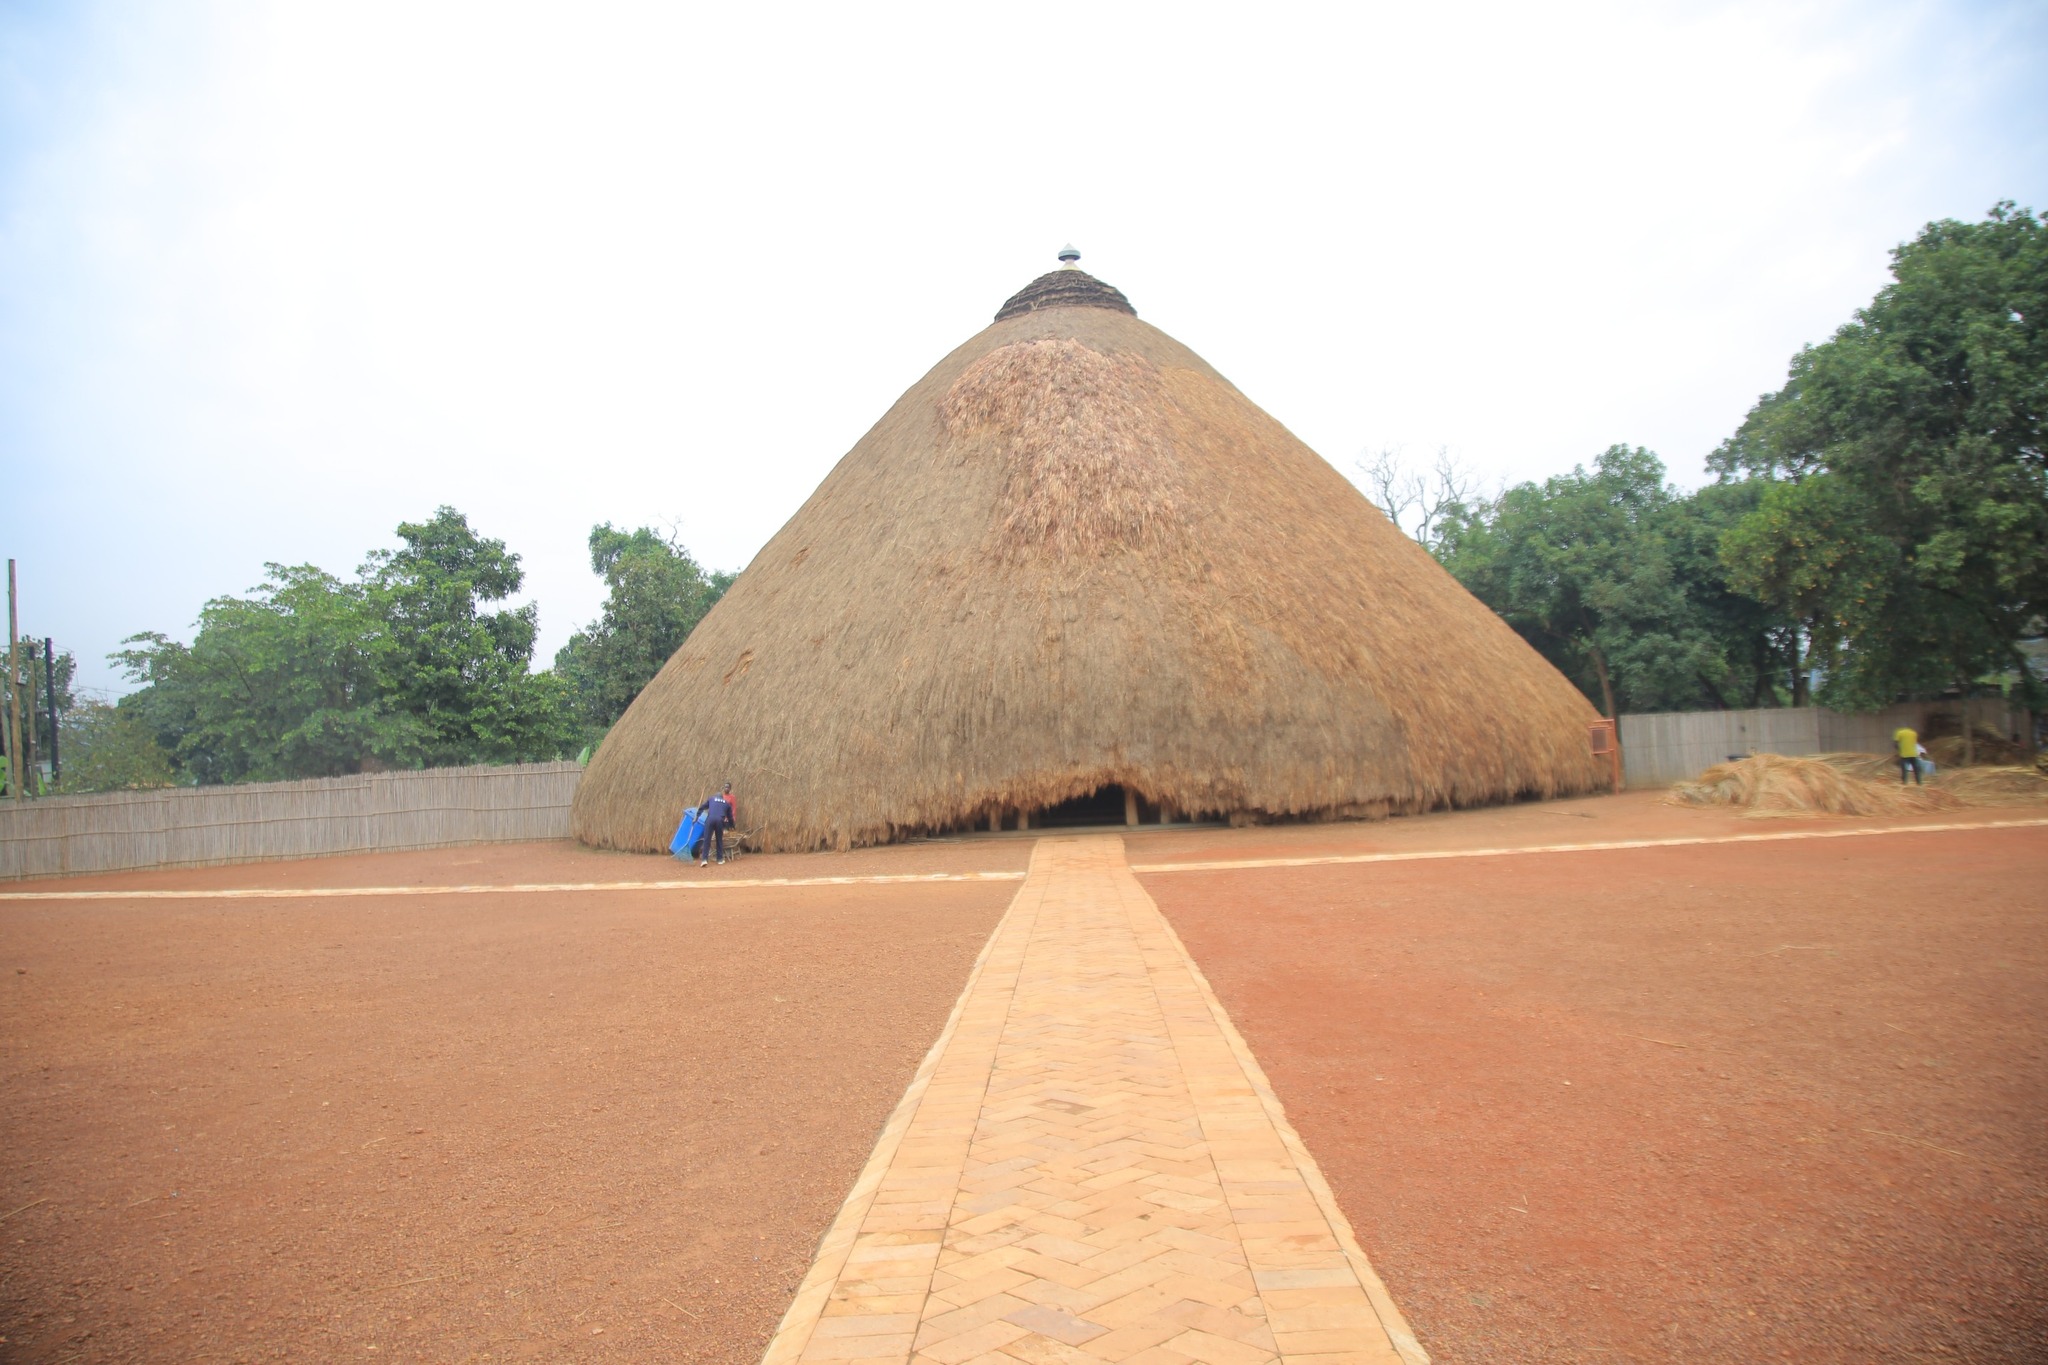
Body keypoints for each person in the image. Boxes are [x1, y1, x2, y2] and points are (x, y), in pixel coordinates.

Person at [699, 782, 737, 866]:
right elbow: (730, 817)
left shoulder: (711, 799)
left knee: (707, 840)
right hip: (720, 820)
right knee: (719, 839)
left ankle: (704, 860)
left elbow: (702, 807)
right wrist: (732, 826)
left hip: (710, 819)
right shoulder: (726, 803)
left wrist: (697, 815)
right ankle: (719, 859)